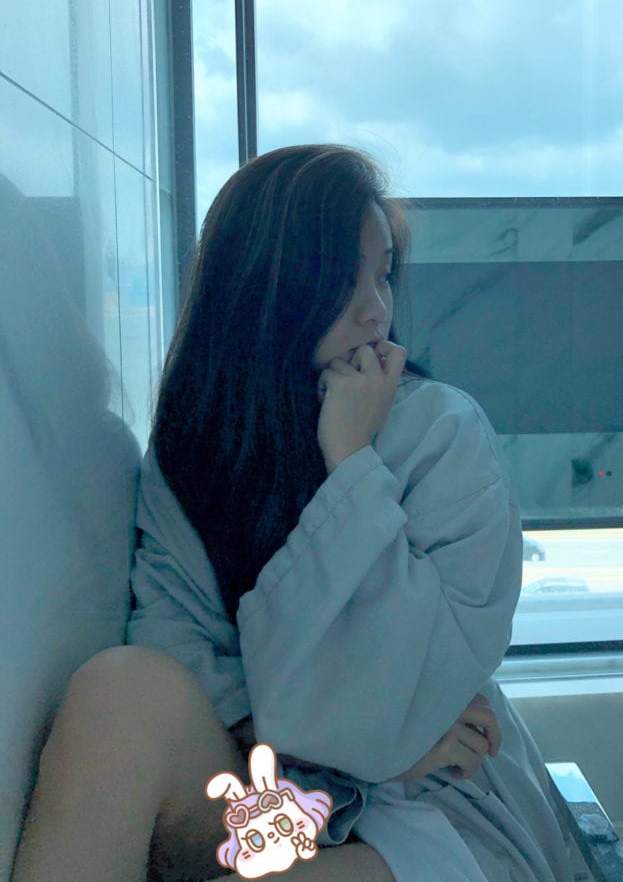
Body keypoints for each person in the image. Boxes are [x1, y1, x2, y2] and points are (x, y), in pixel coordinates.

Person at [12, 144, 571, 882]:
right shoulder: (194, 448)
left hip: (430, 797)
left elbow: (431, 667)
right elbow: (177, 644)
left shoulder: (442, 432)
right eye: (343, 280)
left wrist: (351, 462)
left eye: (382, 275)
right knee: (120, 688)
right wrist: (358, 742)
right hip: (283, 783)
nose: (376, 309)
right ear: (263, 288)